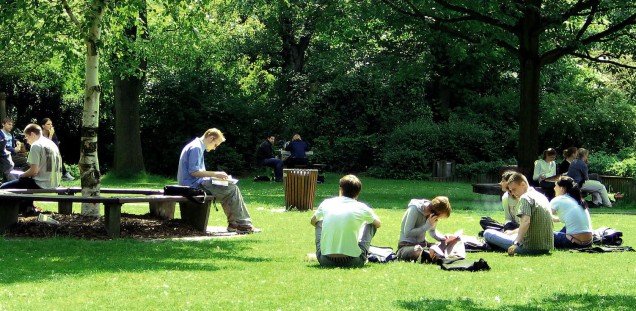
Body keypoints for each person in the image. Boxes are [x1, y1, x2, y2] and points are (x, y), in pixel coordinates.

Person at [178, 128, 260, 233]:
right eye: (215, 145)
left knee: (228, 189)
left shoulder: (196, 146)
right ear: (211, 138)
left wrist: (213, 177)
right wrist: (216, 174)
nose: (214, 148)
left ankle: (234, 224)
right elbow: (194, 172)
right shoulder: (196, 148)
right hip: (193, 186)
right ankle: (243, 225)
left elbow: (196, 172)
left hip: (192, 184)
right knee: (232, 189)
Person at [310, 174, 381, 267]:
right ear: (358, 192)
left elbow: (312, 221)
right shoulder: (362, 207)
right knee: (371, 224)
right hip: (353, 261)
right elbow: (378, 224)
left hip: (326, 260)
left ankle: (329, 248)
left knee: (319, 221)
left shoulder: (327, 203)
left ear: (340, 189)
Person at [483, 172, 554, 255]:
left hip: (529, 247)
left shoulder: (525, 198)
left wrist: (516, 243)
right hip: (546, 247)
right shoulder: (541, 196)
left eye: (514, 189)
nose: (513, 193)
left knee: (488, 233)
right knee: (509, 235)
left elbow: (526, 222)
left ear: (523, 184)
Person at [0, 124, 62, 215]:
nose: (27, 141)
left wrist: (21, 175)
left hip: (42, 183)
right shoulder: (51, 143)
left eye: (26, 137)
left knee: (3, 188)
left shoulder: (36, 145)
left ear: (32, 134)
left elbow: (34, 171)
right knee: (24, 182)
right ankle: (27, 208)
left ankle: (10, 214)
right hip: (54, 182)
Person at [396, 196, 456, 262]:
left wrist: (443, 238)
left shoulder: (432, 213)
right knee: (418, 250)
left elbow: (432, 231)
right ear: (436, 212)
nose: (437, 219)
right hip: (407, 246)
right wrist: (427, 226)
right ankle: (433, 255)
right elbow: (408, 233)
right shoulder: (414, 209)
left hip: (423, 245)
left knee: (446, 243)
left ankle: (432, 254)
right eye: (439, 217)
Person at [550, 176, 593, 248]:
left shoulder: (559, 199)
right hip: (588, 242)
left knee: (545, 234)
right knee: (564, 229)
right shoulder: (577, 200)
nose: (554, 188)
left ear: (562, 189)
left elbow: (544, 215)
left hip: (574, 242)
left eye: (555, 186)